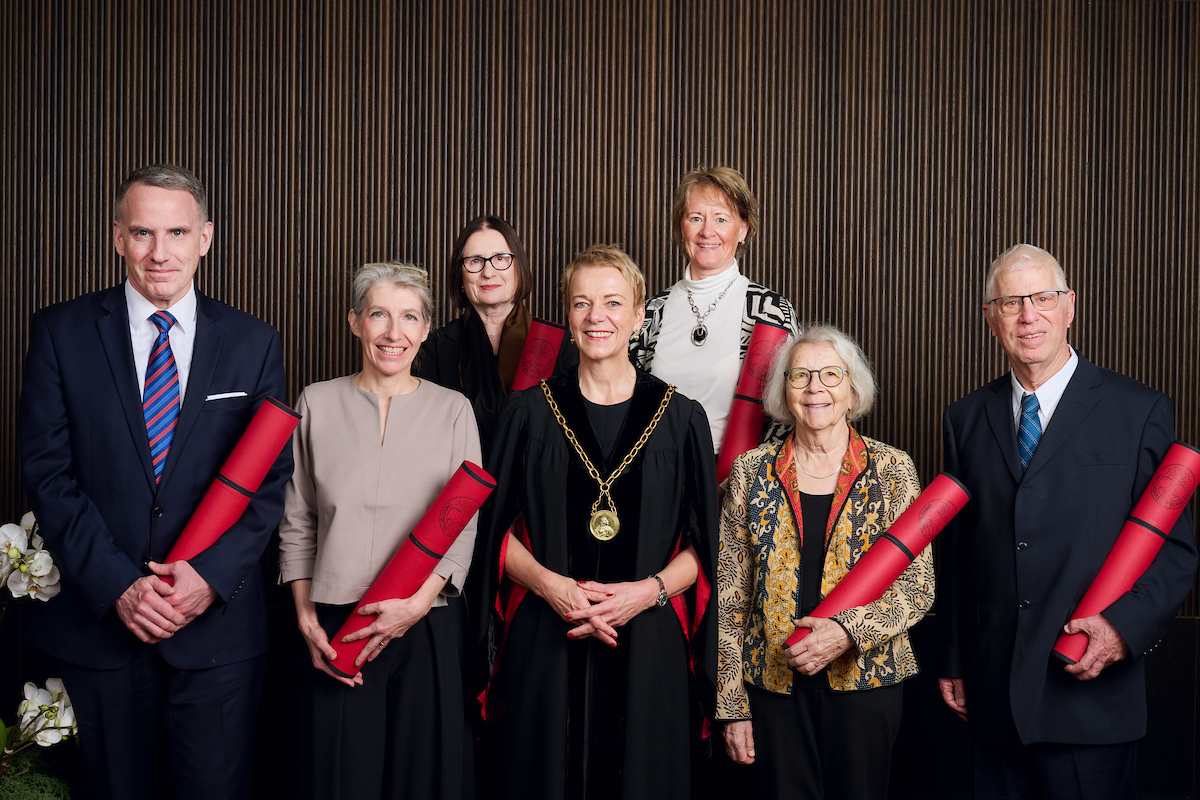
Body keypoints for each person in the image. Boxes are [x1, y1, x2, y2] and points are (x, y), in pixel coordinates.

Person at [18, 164, 293, 800]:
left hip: (217, 634)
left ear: (207, 237)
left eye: (176, 232)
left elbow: (270, 481)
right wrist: (120, 587)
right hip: (100, 632)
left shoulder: (254, 342)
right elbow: (47, 475)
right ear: (117, 237)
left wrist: (209, 578)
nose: (159, 252)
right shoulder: (60, 334)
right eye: (142, 233)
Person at [937, 244, 1198, 800]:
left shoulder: (1139, 410)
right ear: (990, 317)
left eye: (1042, 298)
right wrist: (955, 658)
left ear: (1070, 306)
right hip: (993, 697)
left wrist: (1122, 630)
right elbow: (957, 554)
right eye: (1010, 303)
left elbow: (1175, 552)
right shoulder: (965, 418)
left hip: (1091, 695)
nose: (1028, 316)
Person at [480, 244, 718, 799]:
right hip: (546, 629)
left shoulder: (681, 419)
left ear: (639, 315)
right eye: (582, 303)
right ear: (567, 315)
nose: (597, 317)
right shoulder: (529, 413)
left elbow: (707, 548)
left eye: (613, 303)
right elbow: (493, 534)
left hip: (648, 637)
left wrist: (646, 592)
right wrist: (550, 585)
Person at [278, 263, 481, 799]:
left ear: (425, 329)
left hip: (428, 624)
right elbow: (298, 520)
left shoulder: (454, 410)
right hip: (337, 628)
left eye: (409, 317)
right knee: (340, 779)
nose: (394, 332)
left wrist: (416, 605)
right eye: (379, 315)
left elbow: (462, 524)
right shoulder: (316, 403)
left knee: (425, 780)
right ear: (355, 322)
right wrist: (305, 618)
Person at [716, 324, 934, 800]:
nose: (816, 388)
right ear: (782, 392)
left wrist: (848, 632)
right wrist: (732, 706)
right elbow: (730, 597)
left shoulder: (893, 469)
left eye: (831, 375)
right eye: (800, 376)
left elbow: (918, 589)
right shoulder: (751, 471)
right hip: (772, 688)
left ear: (853, 390)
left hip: (867, 682)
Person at [631, 166, 800, 450]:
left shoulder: (770, 311)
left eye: (721, 219)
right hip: (659, 475)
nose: (707, 231)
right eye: (695, 218)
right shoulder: (648, 313)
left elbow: (790, 410)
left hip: (739, 481)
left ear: (743, 229)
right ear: (681, 227)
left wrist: (745, 482)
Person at [418, 215, 575, 459]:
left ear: (519, 266)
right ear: (460, 274)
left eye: (500, 259)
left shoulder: (561, 344)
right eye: (475, 261)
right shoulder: (435, 348)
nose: (488, 272)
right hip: (463, 487)